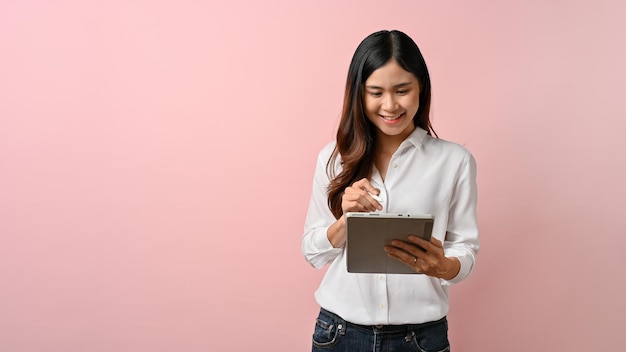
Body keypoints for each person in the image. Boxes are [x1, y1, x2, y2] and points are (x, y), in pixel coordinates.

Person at [301, 29, 479, 352]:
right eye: (376, 92)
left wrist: (444, 266)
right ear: (359, 94)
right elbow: (312, 251)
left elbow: (465, 248)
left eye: (402, 90)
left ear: (420, 89)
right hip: (340, 335)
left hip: (421, 339)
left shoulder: (455, 162)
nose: (390, 105)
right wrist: (345, 221)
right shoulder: (333, 158)